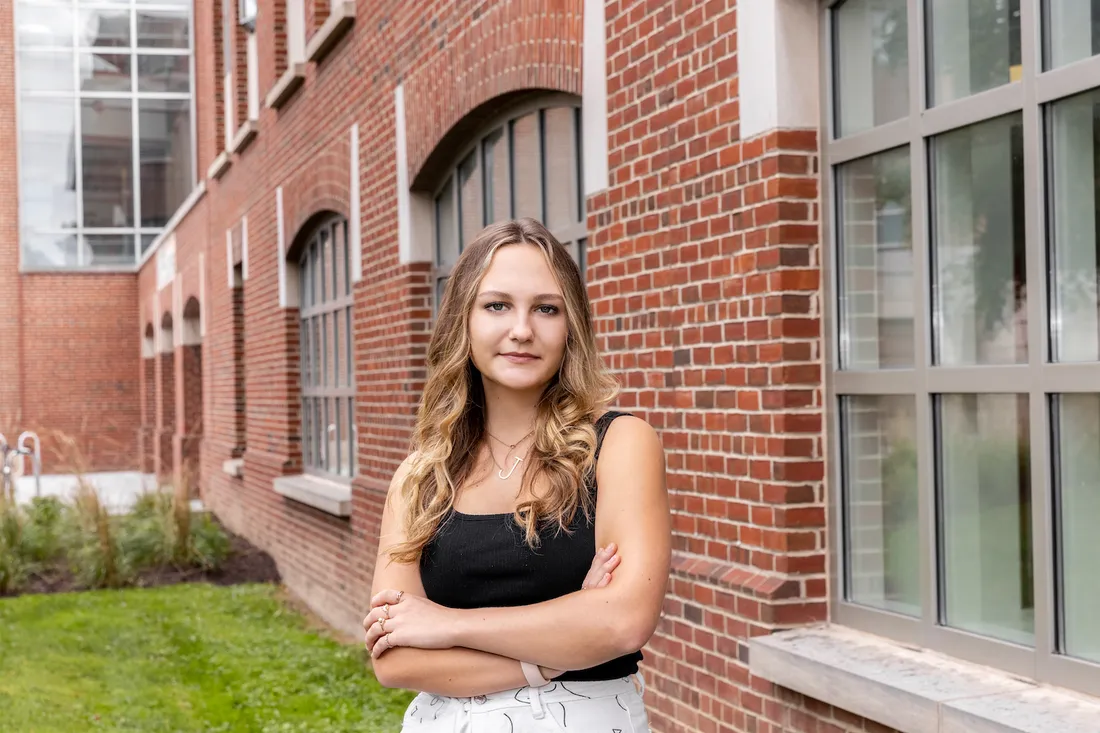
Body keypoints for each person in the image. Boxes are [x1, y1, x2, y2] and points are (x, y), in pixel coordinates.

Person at [361, 218, 671, 731]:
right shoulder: (421, 477)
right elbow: (396, 659)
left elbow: (623, 620)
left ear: (571, 325)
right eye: (497, 305)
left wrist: (447, 626)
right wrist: (556, 652)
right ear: (464, 319)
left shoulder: (619, 444)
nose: (522, 329)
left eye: (546, 308)